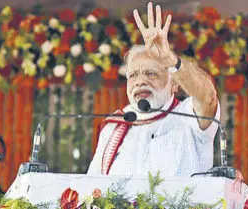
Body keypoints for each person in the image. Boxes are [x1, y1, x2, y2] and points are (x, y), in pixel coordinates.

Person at [87, 2, 220, 176]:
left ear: (174, 84)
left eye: (151, 74)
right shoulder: (114, 127)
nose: (140, 81)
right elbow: (91, 188)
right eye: (133, 75)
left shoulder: (189, 116)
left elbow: (208, 97)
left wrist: (169, 60)